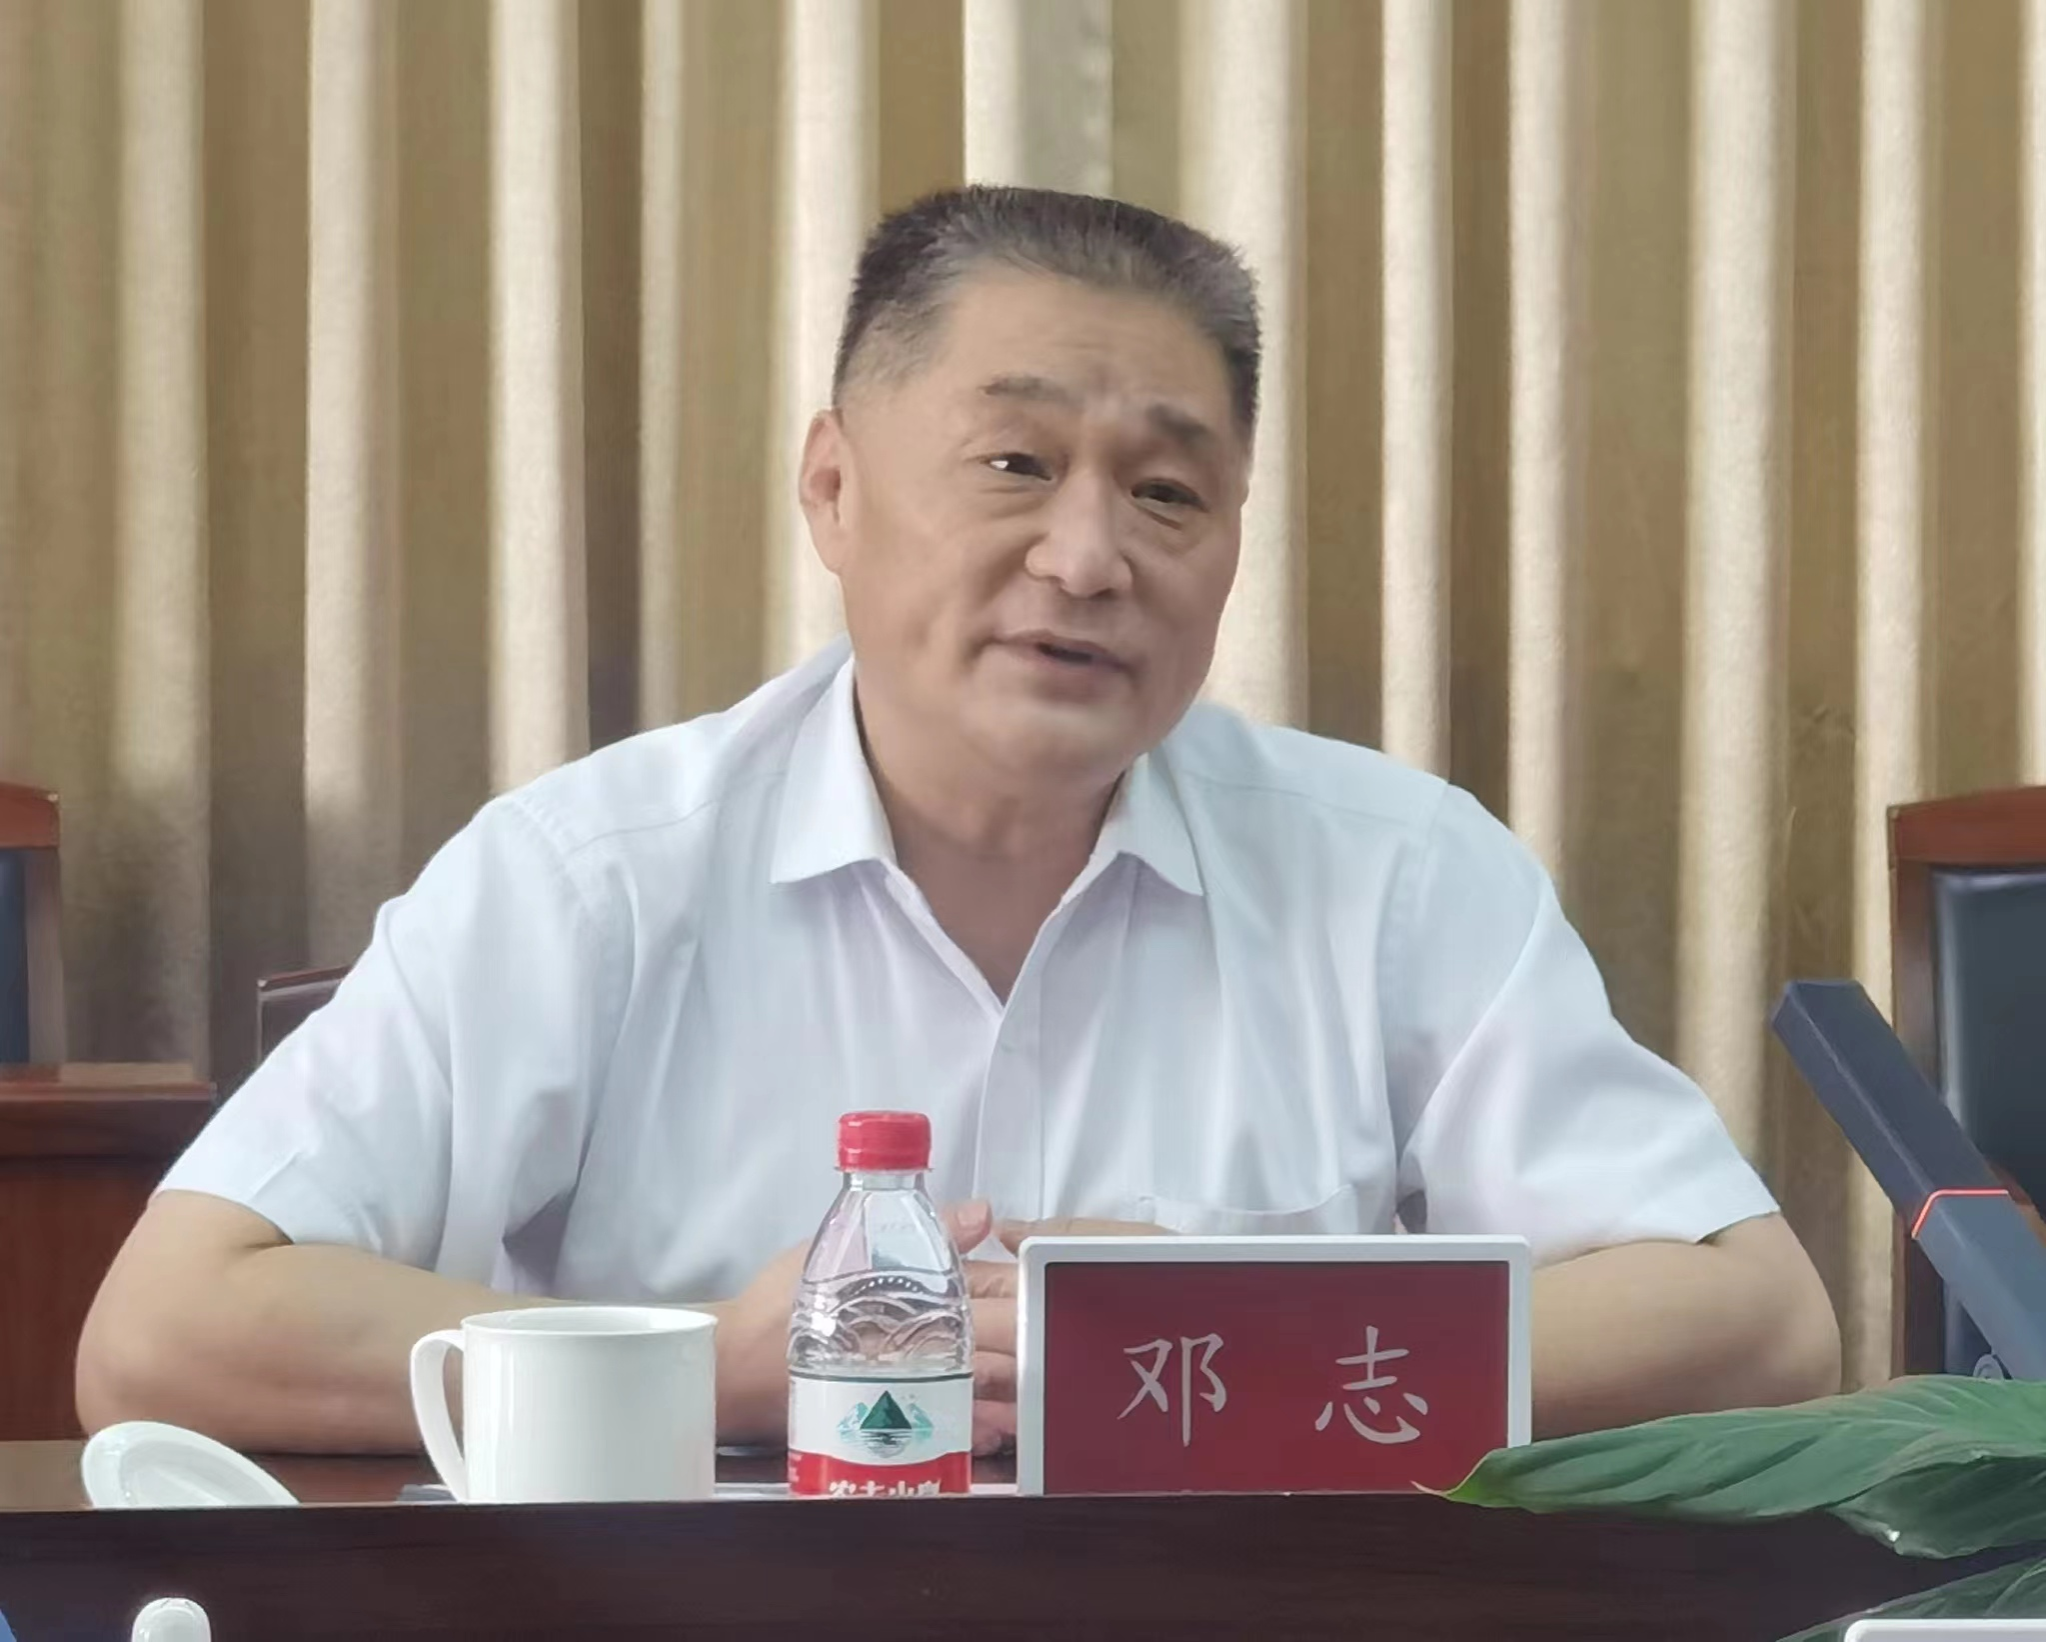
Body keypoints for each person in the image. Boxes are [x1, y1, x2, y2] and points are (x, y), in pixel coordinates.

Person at [77, 187, 1839, 1457]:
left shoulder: (1395, 869)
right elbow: (168, 1331)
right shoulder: (592, 874)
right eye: (1014, 464)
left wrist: (1228, 1340)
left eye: (1168, 491)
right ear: (833, 488)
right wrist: (724, 1365)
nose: (1086, 557)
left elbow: (1755, 1318)